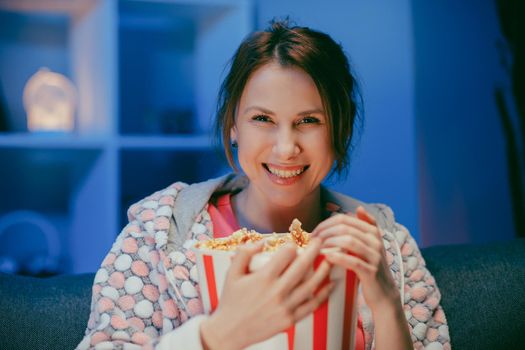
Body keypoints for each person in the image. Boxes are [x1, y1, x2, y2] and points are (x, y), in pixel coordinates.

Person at [77, 20, 450, 350]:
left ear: (340, 129)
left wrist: (385, 302)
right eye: (262, 118)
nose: (286, 148)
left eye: (308, 121)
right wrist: (216, 337)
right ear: (233, 126)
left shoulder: (386, 244)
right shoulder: (157, 233)